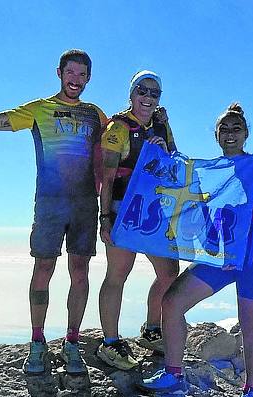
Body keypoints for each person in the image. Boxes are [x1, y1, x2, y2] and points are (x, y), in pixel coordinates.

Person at [0, 50, 107, 375]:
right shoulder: (39, 110)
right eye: (70, 73)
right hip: (50, 205)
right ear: (59, 73)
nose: (75, 80)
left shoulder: (96, 115)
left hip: (85, 205)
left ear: (89, 78)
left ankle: (72, 342)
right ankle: (37, 343)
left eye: (82, 75)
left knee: (80, 272)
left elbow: (117, 149)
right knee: (43, 269)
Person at [139, 103, 253, 397]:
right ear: (217, 136)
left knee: (250, 327)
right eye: (225, 129)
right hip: (220, 256)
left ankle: (252, 392)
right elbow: (184, 179)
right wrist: (164, 150)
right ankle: (173, 374)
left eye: (236, 129)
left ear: (246, 134)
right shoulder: (214, 170)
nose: (230, 134)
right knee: (173, 302)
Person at [96, 71, 180, 370]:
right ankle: (110, 343)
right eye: (142, 91)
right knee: (118, 274)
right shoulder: (119, 127)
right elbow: (107, 175)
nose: (147, 97)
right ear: (131, 94)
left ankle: (151, 329)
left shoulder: (160, 125)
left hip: (153, 212)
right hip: (122, 211)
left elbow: (173, 164)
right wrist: (105, 218)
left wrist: (162, 146)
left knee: (169, 272)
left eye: (154, 93)